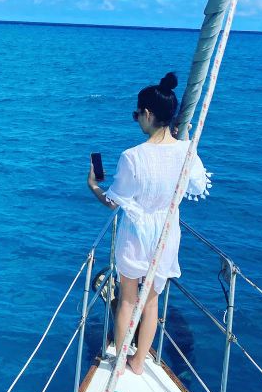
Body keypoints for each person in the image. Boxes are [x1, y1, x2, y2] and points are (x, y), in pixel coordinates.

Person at [87, 72, 210, 375]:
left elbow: (114, 201)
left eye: (137, 114)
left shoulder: (133, 157)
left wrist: (93, 186)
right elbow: (195, 186)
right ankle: (139, 363)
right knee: (151, 300)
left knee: (128, 298)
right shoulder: (187, 150)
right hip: (167, 232)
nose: (137, 119)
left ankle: (119, 361)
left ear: (148, 114)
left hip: (135, 232)